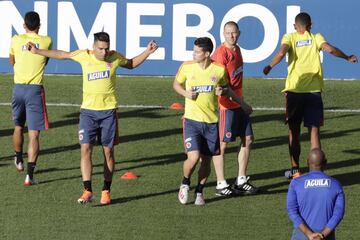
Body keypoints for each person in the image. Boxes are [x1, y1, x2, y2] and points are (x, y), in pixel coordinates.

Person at [28, 32, 158, 205]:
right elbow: (62, 54)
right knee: (85, 149)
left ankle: (106, 190)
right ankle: (87, 190)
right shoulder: (84, 55)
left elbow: (132, 64)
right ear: (94, 46)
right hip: (88, 113)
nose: (104, 52)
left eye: (106, 48)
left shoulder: (115, 57)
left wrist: (147, 52)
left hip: (108, 113)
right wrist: (38, 52)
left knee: (108, 152)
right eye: (100, 49)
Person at [263, 12, 357, 179]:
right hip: (313, 92)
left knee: (294, 132)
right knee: (314, 132)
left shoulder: (290, 37)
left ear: (294, 26)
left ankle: (295, 170)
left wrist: (269, 66)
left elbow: (281, 52)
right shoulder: (316, 37)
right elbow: (330, 49)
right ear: (310, 26)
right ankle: (318, 171)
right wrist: (347, 57)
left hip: (294, 92)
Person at [173, 37, 252, 205]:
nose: (193, 54)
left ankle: (199, 191)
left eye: (197, 51)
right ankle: (185, 182)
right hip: (191, 121)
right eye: (193, 51)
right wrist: (186, 94)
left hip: (211, 123)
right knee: (193, 157)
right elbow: (176, 84)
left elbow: (226, 89)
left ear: (207, 54)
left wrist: (235, 99)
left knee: (206, 161)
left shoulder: (219, 69)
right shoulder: (186, 67)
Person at [211, 21, 258, 196]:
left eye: (234, 33)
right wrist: (243, 103)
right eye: (229, 33)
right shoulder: (220, 54)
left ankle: (241, 179)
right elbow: (220, 88)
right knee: (222, 145)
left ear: (239, 33)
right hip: (227, 106)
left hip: (239, 103)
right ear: (223, 34)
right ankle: (221, 184)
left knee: (248, 139)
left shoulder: (237, 50)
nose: (232, 36)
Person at [9, 11, 52, 186]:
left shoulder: (15, 39)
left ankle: (18, 159)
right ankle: (30, 175)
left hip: (18, 88)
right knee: (34, 134)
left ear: (24, 25)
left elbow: (11, 61)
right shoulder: (46, 41)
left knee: (18, 126)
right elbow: (45, 60)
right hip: (34, 90)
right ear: (39, 25)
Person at [287, 148, 345, 240]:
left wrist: (309, 234)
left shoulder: (295, 183)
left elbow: (292, 211)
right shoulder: (336, 185)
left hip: (301, 235)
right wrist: (322, 235)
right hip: (326, 236)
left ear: (307, 162)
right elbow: (338, 214)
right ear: (325, 163)